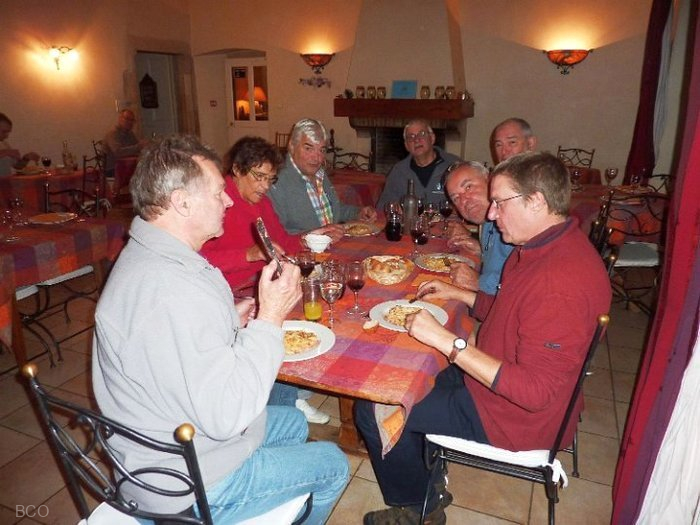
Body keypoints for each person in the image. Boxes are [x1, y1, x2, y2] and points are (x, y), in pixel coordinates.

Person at [92, 135, 349, 523]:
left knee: (294, 421)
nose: (228, 200)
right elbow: (228, 414)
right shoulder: (172, 291)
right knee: (333, 463)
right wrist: (269, 318)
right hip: (185, 481)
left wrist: (229, 315)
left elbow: (180, 341)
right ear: (182, 202)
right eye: (217, 193)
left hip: (174, 435)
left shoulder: (154, 256)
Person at [355, 152, 611, 525]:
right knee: (402, 370)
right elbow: (512, 312)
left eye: (500, 203)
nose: (491, 214)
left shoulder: (559, 283)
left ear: (536, 201)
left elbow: (535, 393)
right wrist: (457, 293)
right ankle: (428, 471)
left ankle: (417, 508)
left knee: (375, 406)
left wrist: (449, 342)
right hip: (494, 379)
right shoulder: (542, 247)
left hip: (509, 416)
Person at [199, 135, 332, 424]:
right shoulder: (215, 202)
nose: (264, 186)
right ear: (237, 169)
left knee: (320, 302)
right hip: (225, 292)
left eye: (270, 180)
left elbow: (282, 240)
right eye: (258, 177)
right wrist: (247, 255)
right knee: (284, 320)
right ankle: (286, 400)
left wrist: (313, 238)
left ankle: (296, 384)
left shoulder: (261, 202)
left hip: (259, 283)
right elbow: (197, 260)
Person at [268, 118, 377, 241]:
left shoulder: (320, 174)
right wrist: (319, 236)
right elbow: (276, 235)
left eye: (322, 150)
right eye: (308, 148)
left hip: (333, 245)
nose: (317, 158)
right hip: (303, 251)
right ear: (292, 146)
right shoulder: (276, 181)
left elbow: (331, 211)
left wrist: (357, 212)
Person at [443, 161, 514, 310]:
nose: (464, 200)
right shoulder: (487, 221)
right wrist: (481, 251)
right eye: (456, 198)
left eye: (468, 187)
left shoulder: (515, 221)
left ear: (490, 180)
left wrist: (479, 282)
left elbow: (525, 287)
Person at [376, 119, 460, 209]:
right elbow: (384, 207)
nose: (416, 140)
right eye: (411, 137)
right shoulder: (398, 171)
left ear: (432, 138)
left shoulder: (455, 166)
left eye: (422, 134)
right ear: (406, 146)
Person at [102, 109, 148, 176]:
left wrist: (146, 147)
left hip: (127, 166)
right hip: (113, 169)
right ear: (120, 119)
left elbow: (137, 148)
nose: (130, 122)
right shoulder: (113, 134)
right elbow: (118, 152)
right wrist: (139, 146)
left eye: (132, 120)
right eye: (127, 119)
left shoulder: (130, 134)